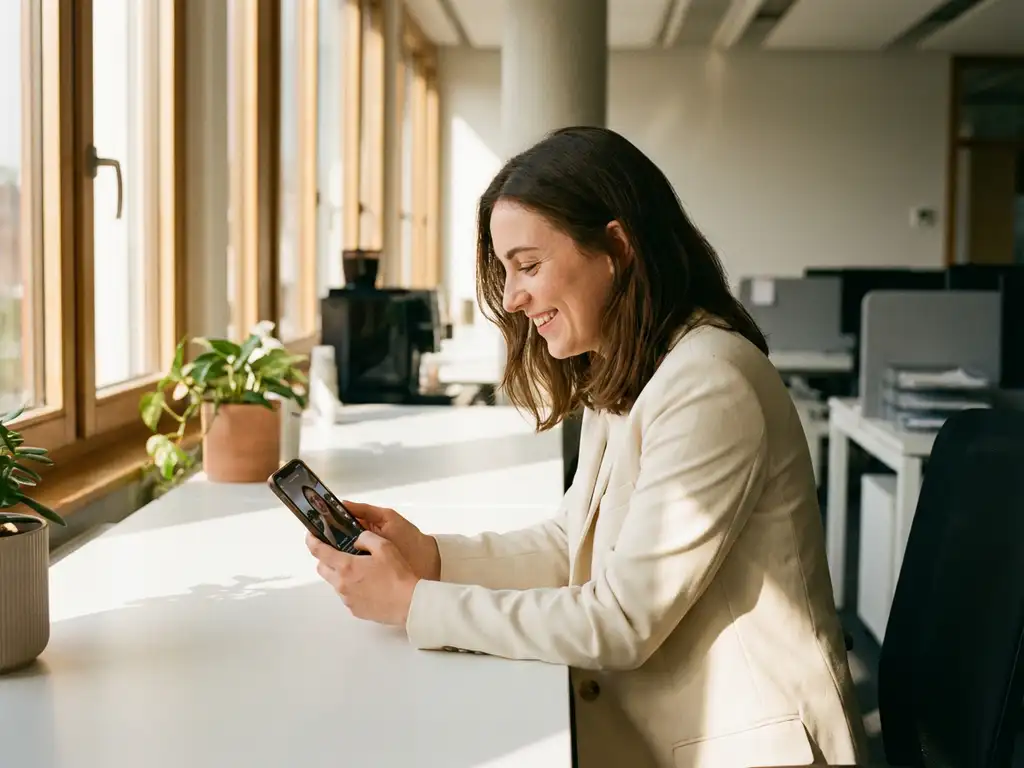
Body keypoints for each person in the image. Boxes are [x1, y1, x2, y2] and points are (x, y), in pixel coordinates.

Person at [305, 126, 869, 768]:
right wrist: (431, 557)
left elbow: (621, 619)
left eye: (529, 264)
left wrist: (417, 604)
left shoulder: (709, 381)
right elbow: (572, 543)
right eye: (505, 269)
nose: (512, 297)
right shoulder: (633, 365)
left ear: (616, 247)